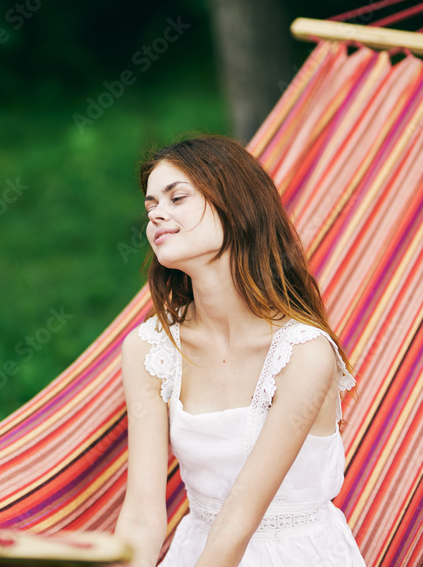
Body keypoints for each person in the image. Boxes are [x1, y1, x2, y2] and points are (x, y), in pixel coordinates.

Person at [113, 133, 366, 567]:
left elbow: (238, 521)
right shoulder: (149, 349)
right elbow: (141, 515)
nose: (157, 215)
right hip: (196, 550)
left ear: (236, 205)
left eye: (177, 198)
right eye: (151, 206)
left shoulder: (303, 352)